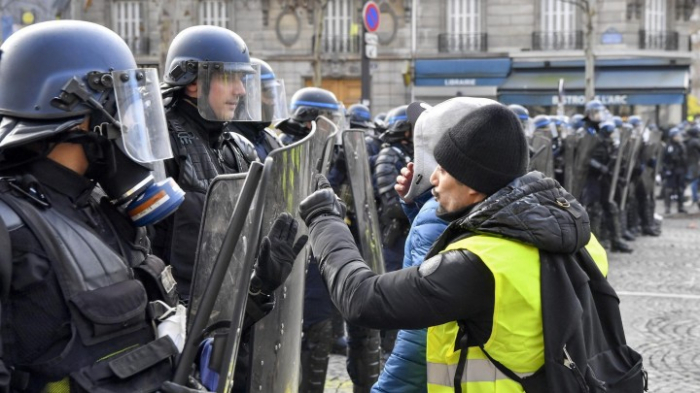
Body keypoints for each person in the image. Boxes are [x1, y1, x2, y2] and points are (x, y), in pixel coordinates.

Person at [298, 103, 610, 392]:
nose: (432, 177)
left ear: (474, 186)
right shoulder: (576, 236)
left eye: (445, 171)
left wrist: (324, 219)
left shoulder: (478, 264)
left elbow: (362, 299)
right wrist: (428, 207)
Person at [0, 20, 186, 391]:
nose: (133, 123)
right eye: (125, 107)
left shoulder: (99, 207)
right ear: (87, 118)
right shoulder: (8, 228)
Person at [372, 98, 496, 393]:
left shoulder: (439, 214)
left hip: (450, 373)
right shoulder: (501, 202)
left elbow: (418, 332)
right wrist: (418, 205)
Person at [154, 25, 262, 300]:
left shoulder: (237, 147)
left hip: (228, 309)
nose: (240, 90)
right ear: (193, 82)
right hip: (178, 317)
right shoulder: (161, 144)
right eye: (229, 77)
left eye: (242, 79)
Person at [229, 57, 285, 160]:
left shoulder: (269, 138)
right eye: (269, 94)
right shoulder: (229, 141)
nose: (273, 102)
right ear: (244, 98)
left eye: (274, 95)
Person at [662, 128, 688, 214]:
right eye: (676, 136)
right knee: (669, 189)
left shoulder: (681, 145)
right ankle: (667, 207)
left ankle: (680, 207)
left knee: (681, 189)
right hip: (671, 170)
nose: (678, 137)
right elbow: (666, 159)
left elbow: (684, 158)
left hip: (680, 170)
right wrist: (666, 170)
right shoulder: (669, 146)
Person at [685, 125, 700, 210]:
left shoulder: (689, 141)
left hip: (691, 164)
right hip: (695, 164)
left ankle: (696, 198)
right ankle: (695, 198)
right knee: (695, 181)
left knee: (694, 181)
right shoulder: (695, 141)